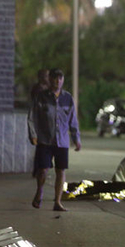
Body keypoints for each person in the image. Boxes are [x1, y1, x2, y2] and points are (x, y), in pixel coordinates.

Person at [28, 68, 81, 212]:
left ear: (63, 80)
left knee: (61, 170)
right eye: (55, 78)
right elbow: (32, 117)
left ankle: (57, 202)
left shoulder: (67, 98)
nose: (58, 81)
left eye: (60, 78)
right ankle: (39, 191)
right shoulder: (41, 97)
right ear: (49, 79)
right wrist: (33, 134)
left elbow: (73, 120)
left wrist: (76, 138)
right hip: (45, 140)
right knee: (43, 169)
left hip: (62, 141)